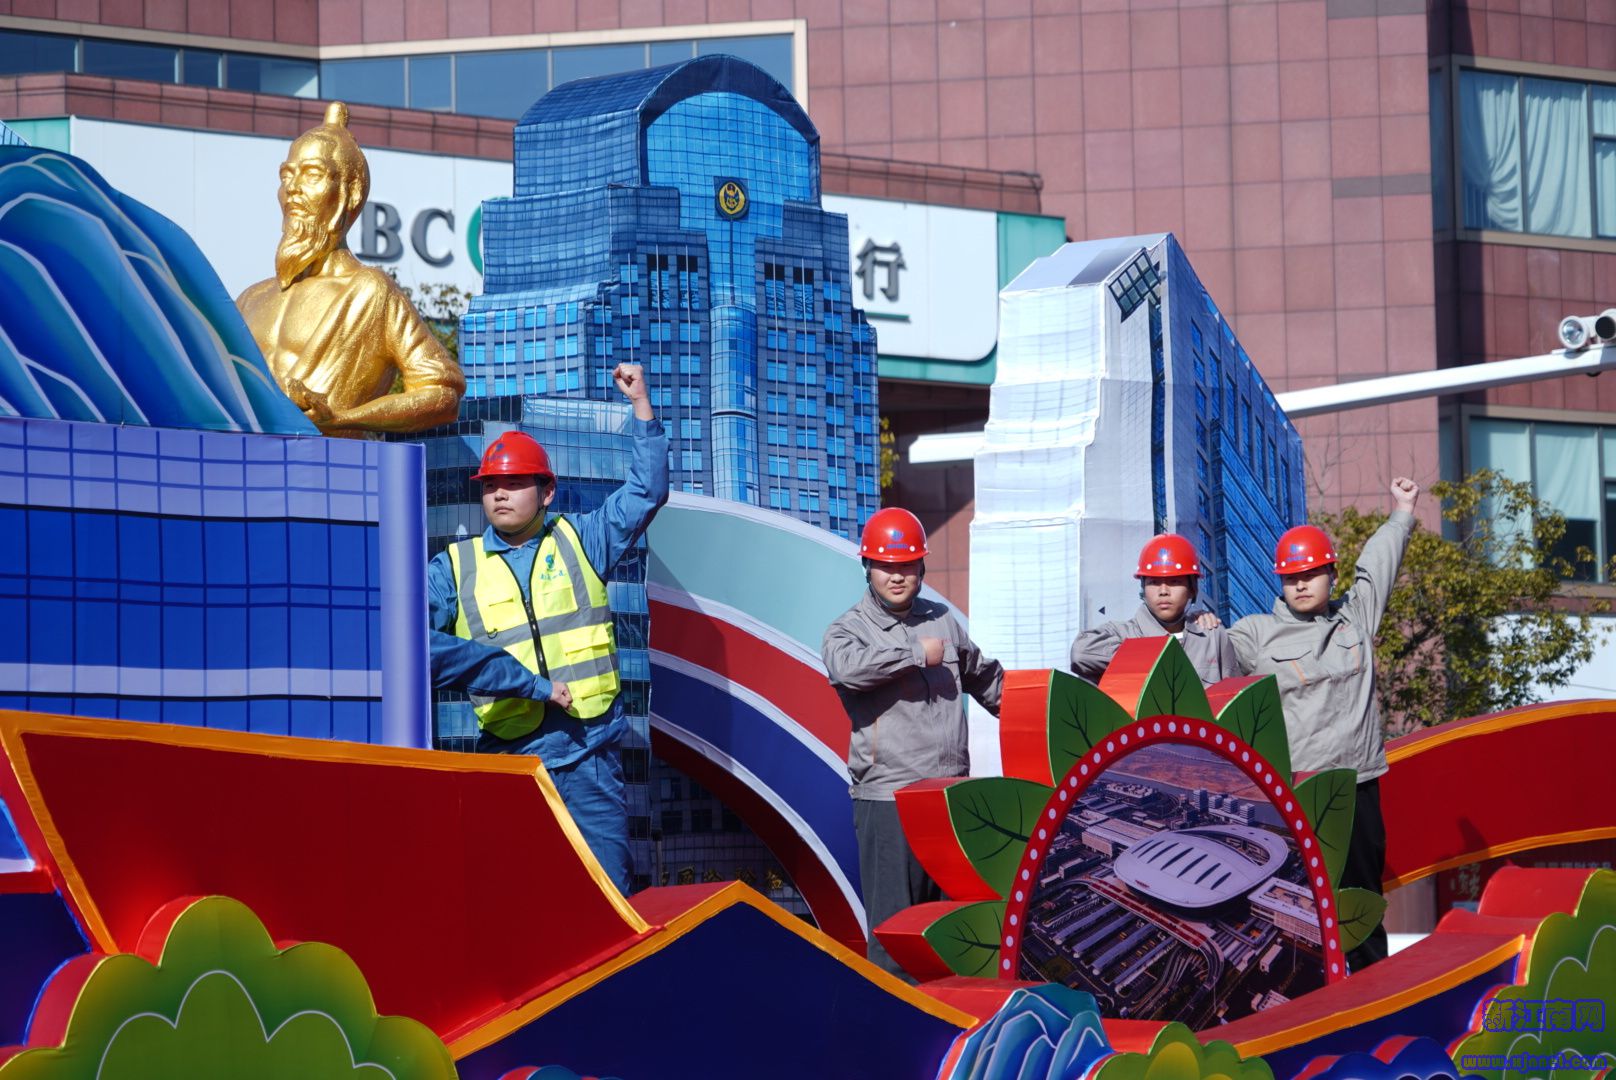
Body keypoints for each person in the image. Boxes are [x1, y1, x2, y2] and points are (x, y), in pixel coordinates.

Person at [427, 363, 667, 894]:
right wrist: (526, 684)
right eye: (491, 485)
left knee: (607, 895)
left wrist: (641, 406)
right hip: (512, 761)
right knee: (517, 897)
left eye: (515, 483)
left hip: (588, 753)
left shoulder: (585, 539)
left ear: (548, 491)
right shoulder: (453, 568)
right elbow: (409, 644)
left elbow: (646, 491)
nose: (500, 494)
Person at [1227, 477, 1420, 972]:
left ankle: (1373, 993)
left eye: (1312, 573)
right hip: (1299, 792)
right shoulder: (1255, 634)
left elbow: (1378, 566)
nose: (1302, 583)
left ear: (1332, 575)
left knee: (1361, 899)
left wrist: (1402, 511)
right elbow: (1206, 658)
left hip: (1357, 786)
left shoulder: (1355, 620)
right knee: (1297, 903)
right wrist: (1197, 628)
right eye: (1292, 576)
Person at [821, 507, 1004, 978]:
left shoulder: (943, 620)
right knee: (895, 937)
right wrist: (914, 653)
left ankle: (950, 1019)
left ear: (921, 566)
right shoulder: (847, 630)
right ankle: (892, 1021)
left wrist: (1039, 711)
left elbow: (988, 680)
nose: (898, 576)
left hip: (949, 798)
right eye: (887, 566)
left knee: (953, 932)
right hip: (890, 799)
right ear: (867, 567)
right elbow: (848, 670)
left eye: (907, 564)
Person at [236, 101, 463, 436]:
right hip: (241, 461)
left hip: (332, 462)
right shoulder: (250, 299)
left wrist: (341, 418)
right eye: (287, 175)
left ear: (351, 192)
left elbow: (442, 395)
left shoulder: (371, 292)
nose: (293, 188)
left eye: (312, 174)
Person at [1069, 533, 1239, 687]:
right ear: (1143, 589)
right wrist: (1148, 658)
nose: (1163, 591)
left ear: (1192, 589)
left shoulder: (1212, 636)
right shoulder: (1121, 634)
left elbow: (1233, 695)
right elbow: (1081, 653)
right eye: (1154, 582)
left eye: (1174, 581)